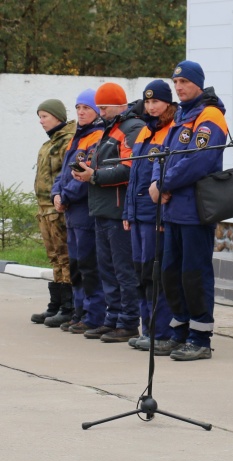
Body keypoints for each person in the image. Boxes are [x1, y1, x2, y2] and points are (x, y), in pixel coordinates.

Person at [147, 60, 228, 361]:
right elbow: (163, 153)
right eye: (175, 83)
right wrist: (157, 180)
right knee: (171, 273)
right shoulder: (182, 114)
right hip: (173, 209)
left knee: (195, 274)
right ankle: (179, 331)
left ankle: (200, 337)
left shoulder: (210, 115)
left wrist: (164, 183)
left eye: (184, 83)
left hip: (194, 209)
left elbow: (199, 160)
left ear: (198, 83)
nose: (178, 88)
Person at [72, 82, 145, 343]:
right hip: (103, 208)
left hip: (117, 209)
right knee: (107, 269)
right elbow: (105, 165)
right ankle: (112, 319)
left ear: (119, 105)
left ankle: (127, 322)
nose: (100, 111)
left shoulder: (131, 128)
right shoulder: (110, 129)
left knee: (122, 270)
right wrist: (85, 170)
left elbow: (129, 168)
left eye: (104, 107)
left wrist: (95, 176)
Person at [122, 80, 176, 354]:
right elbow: (134, 177)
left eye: (157, 101)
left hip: (156, 215)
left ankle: (161, 332)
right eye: (148, 101)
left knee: (156, 275)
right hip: (138, 216)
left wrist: (162, 216)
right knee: (142, 274)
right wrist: (127, 212)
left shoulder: (172, 131)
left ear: (168, 103)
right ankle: (147, 329)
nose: (152, 106)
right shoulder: (144, 131)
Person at [51, 90, 105, 335]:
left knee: (87, 264)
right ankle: (80, 311)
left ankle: (93, 314)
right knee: (76, 264)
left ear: (96, 111)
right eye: (78, 108)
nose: (81, 112)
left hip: (84, 210)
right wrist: (56, 194)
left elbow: (85, 175)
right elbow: (64, 173)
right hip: (71, 211)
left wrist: (67, 196)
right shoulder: (77, 137)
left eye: (86, 108)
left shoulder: (96, 137)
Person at [30, 99, 76, 327]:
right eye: (40, 116)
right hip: (45, 209)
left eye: (45, 116)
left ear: (57, 116)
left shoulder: (67, 141)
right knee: (54, 257)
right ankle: (56, 304)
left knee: (65, 256)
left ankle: (69, 307)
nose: (41, 121)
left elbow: (66, 174)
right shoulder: (49, 143)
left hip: (58, 208)